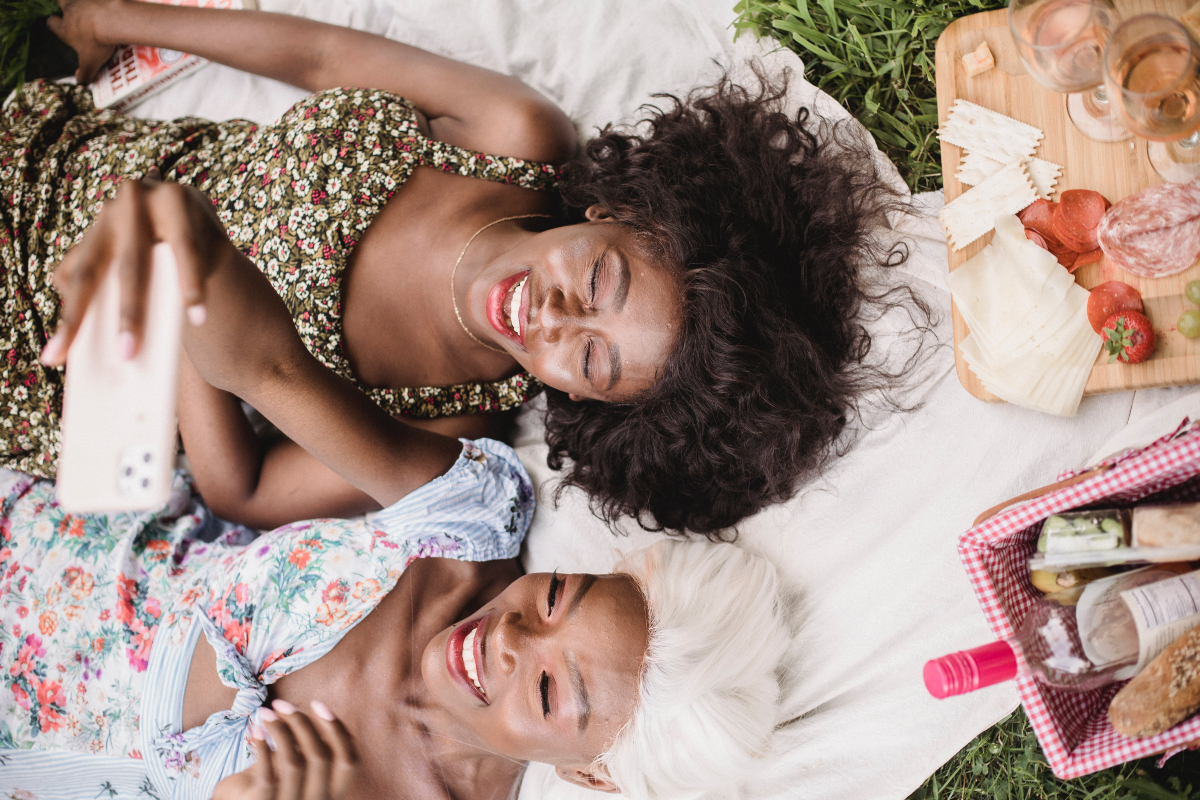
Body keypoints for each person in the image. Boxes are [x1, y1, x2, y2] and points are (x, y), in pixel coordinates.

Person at [10, 0, 926, 536]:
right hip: (66, 164)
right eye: (604, 282)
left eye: (594, 360)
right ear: (626, 214)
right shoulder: (514, 141)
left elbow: (237, 489)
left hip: (55, 348)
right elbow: (322, 56)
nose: (559, 321)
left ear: (588, 406)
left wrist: (184, 303)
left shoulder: (447, 420)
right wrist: (114, 16)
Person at [0, 186, 792, 799]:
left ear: (592, 776)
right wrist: (184, 245)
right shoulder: (467, 521)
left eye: (551, 691)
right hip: (40, 540)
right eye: (557, 597)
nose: (514, 639)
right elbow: (271, 370)